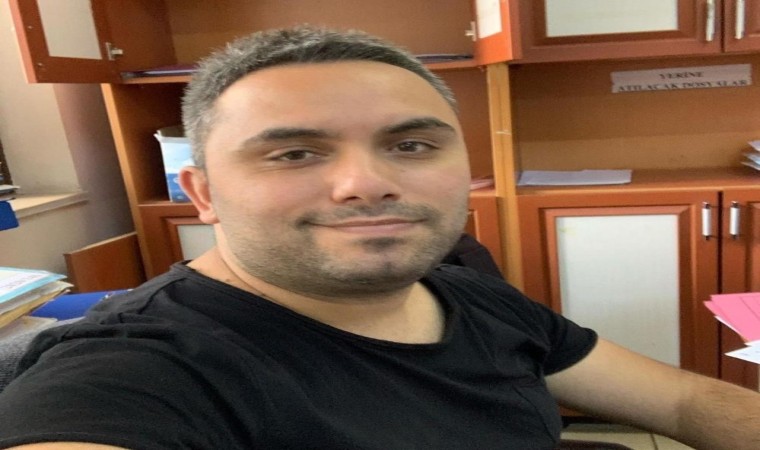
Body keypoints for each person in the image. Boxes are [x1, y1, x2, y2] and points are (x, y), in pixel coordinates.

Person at [0, 25, 758, 450]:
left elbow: (685, 402)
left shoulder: (471, 296)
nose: (366, 183)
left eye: (412, 145)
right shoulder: (141, 368)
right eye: (294, 153)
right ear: (202, 195)